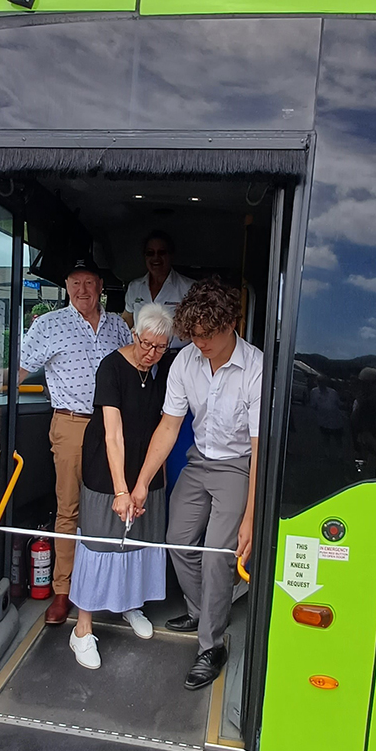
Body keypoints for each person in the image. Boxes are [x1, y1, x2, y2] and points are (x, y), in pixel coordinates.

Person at [132, 278, 262, 691]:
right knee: (178, 540)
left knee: (217, 555)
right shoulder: (185, 361)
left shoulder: (256, 368)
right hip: (199, 461)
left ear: (231, 325)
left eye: (208, 335)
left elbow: (260, 449)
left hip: (239, 466)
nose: (200, 343)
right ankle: (203, 608)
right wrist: (140, 485)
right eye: (194, 335)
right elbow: (169, 427)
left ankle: (211, 643)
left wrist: (251, 519)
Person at [18, 258, 131, 624]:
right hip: (71, 424)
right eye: (75, 282)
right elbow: (19, 369)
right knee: (69, 511)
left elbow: (135, 371)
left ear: (101, 285)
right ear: (67, 286)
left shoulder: (118, 326)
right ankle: (63, 592)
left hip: (113, 427)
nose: (82, 290)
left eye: (89, 282)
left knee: (113, 508)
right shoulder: (50, 324)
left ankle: (113, 590)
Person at [67, 304, 175, 669]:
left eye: (161, 347)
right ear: (134, 335)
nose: (152, 354)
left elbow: (166, 424)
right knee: (99, 543)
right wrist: (120, 490)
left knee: (139, 537)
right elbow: (112, 434)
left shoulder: (164, 368)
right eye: (147, 344)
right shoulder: (111, 367)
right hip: (107, 471)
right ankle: (82, 628)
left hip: (147, 469)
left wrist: (142, 483)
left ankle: (132, 604)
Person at [123, 230, 196, 345]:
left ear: (171, 255)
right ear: (145, 256)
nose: (156, 258)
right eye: (150, 253)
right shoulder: (134, 287)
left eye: (161, 252)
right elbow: (126, 321)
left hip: (176, 356)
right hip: (142, 354)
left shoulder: (190, 288)